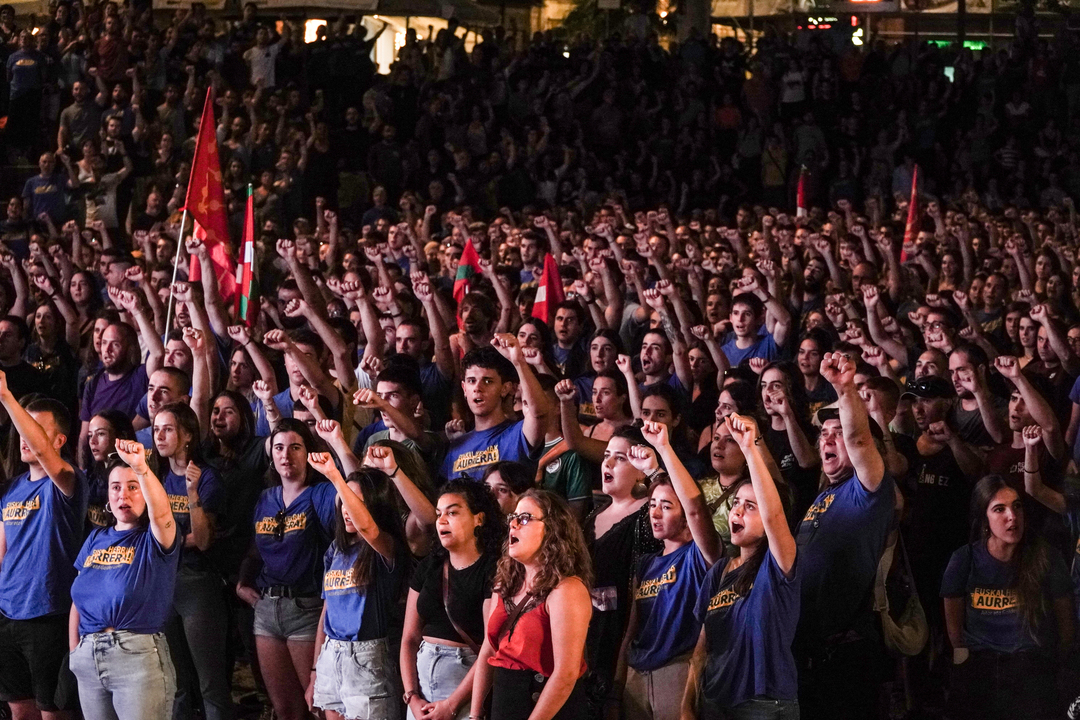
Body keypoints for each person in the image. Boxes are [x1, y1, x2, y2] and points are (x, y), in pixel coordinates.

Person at [794, 352, 895, 720]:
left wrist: (845, 388)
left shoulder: (868, 491)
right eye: (824, 433)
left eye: (838, 433)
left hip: (847, 654)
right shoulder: (823, 497)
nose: (829, 439)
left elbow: (860, 441)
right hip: (810, 651)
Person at [683, 413, 799, 720]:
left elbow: (774, 515)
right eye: (736, 503)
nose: (737, 512)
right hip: (713, 700)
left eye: (750, 506)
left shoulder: (779, 564)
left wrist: (749, 448)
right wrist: (686, 704)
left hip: (761, 704)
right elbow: (702, 648)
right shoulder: (720, 571)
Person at [941, 475, 1073, 720]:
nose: (1012, 516)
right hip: (980, 667)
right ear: (984, 519)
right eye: (999, 509)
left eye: (1017, 506)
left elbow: (1067, 628)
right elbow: (955, 633)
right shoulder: (964, 559)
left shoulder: (1047, 558)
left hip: (1031, 668)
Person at [615, 421, 722, 720]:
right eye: (652, 505)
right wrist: (617, 686)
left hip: (676, 670)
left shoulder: (700, 555)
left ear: (685, 516)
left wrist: (663, 449)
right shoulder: (646, 563)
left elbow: (696, 507)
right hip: (637, 673)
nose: (655, 513)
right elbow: (630, 631)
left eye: (666, 506)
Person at [68, 439, 180, 720]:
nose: (123, 495)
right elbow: (77, 600)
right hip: (89, 658)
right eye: (116, 487)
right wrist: (75, 653)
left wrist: (141, 468)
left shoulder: (155, 539)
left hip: (136, 657)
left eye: (133, 487)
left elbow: (162, 513)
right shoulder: (95, 538)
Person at [236, 419, 338, 720]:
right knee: (285, 710)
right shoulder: (265, 498)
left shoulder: (319, 493)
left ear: (307, 452)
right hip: (267, 608)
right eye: (279, 448)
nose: (286, 455)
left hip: (306, 607)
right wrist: (243, 582)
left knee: (318, 706)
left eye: (295, 447)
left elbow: (349, 503)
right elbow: (255, 550)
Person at [0, 370, 85, 720]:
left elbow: (41, 450)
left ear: (60, 440)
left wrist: (6, 396)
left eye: (34, 428)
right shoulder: (11, 488)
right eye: (22, 427)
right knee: (20, 711)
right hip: (7, 613)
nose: (24, 436)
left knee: (53, 713)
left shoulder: (68, 481)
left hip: (48, 614)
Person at [469, 489, 593, 720]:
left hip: (546, 708)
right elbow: (489, 649)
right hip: (504, 703)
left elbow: (565, 674)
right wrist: (475, 715)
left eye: (525, 518)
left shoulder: (567, 589)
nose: (513, 524)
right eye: (513, 517)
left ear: (553, 529)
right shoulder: (504, 582)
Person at [305, 454, 408, 720]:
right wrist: (315, 670)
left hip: (367, 656)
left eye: (357, 502)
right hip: (331, 653)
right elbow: (327, 612)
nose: (347, 508)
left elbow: (368, 530)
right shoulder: (336, 549)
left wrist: (334, 476)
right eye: (344, 500)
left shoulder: (386, 545)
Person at [153, 402, 232, 720]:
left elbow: (202, 540)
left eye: (168, 429)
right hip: (162, 582)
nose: (159, 436)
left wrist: (193, 493)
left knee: (210, 683)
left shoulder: (206, 477)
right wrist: (174, 541)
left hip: (197, 582)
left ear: (187, 436)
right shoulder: (155, 475)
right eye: (156, 429)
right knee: (174, 684)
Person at [400, 479, 503, 720]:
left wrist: (452, 705)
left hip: (464, 680)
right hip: (420, 686)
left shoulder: (493, 569)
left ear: (479, 519)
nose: (442, 521)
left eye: (453, 513)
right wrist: (412, 696)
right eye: (439, 514)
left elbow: (491, 646)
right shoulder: (430, 566)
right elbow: (409, 638)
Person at [441, 339, 550, 482]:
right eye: (471, 381)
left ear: (505, 388)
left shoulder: (518, 434)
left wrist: (519, 362)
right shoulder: (457, 445)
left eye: (487, 381)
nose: (477, 388)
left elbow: (539, 414)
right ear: (464, 388)